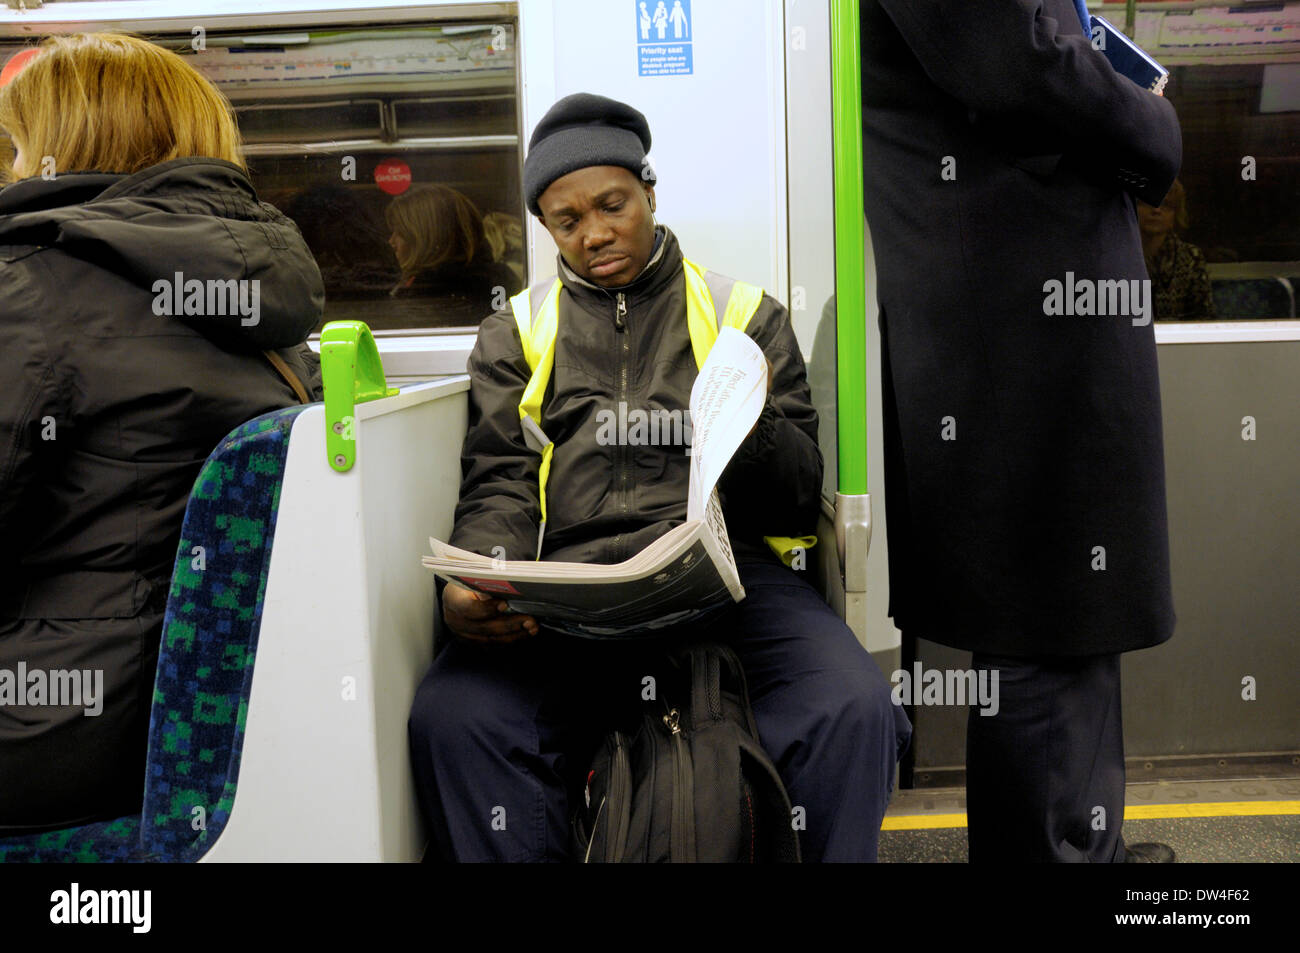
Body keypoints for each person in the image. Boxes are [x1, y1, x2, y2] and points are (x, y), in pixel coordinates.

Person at [408, 92, 910, 862]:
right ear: (547, 227)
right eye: (567, 220)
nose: (596, 233)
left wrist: (751, 422)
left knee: (851, 703)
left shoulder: (742, 315)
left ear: (649, 191)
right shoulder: (516, 331)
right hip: (571, 587)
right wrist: (478, 582)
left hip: (727, 582)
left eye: (613, 204)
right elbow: (502, 481)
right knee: (456, 715)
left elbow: (795, 492)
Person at [860, 0, 1182, 862]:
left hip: (1016, 317)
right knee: (1049, 615)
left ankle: (1080, 840)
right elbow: (1022, 65)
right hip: (1017, 328)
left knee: (1062, 620)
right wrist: (1152, 122)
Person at [0, 33, 323, 834]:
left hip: (50, 725)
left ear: (62, 147)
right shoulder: (267, 311)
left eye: (13, 144)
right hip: (192, 715)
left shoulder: (34, 288)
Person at [385, 184, 520, 325]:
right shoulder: (500, 279)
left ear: (426, 239)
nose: (391, 241)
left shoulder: (427, 294)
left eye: (400, 233)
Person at [1138, 179, 1216, 321]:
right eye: (1148, 203)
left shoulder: (1190, 257)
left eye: (1166, 205)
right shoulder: (1118, 256)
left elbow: (1203, 317)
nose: (1156, 210)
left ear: (1176, 213)